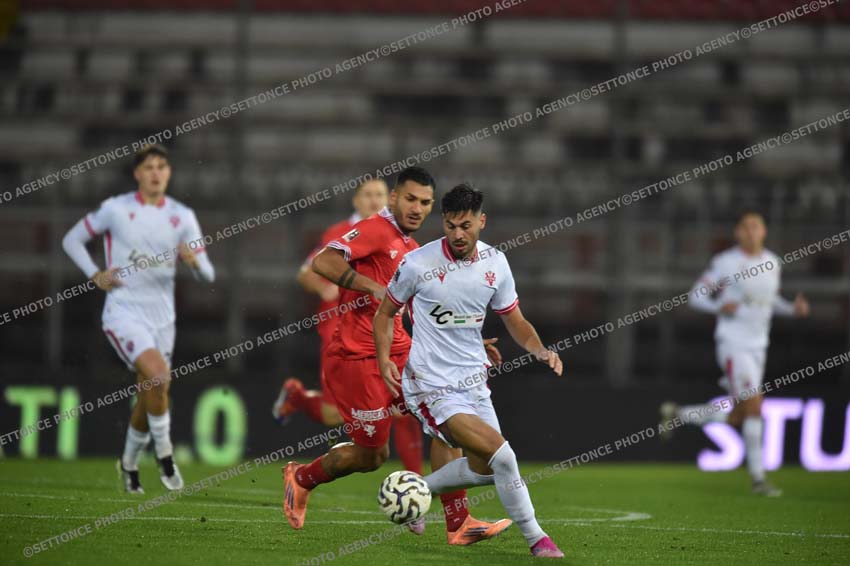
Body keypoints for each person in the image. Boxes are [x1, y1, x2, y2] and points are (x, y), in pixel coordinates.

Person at [282, 168, 511, 545]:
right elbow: (323, 262)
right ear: (394, 199)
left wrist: (465, 338)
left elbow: (417, 307)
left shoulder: (411, 247)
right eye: (410, 199)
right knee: (371, 456)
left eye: (425, 202)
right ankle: (302, 477)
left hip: (401, 351)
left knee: (448, 419)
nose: (417, 208)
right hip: (358, 357)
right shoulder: (376, 229)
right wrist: (370, 286)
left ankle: (458, 522)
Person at [374, 184, 565, 558]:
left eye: (465, 226)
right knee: (504, 457)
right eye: (450, 226)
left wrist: (539, 349)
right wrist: (384, 360)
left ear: (482, 221)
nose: (458, 234)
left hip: (474, 381)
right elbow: (385, 313)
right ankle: (538, 540)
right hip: (431, 384)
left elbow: (515, 320)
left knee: (486, 468)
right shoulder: (418, 264)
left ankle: (417, 490)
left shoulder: (495, 262)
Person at [62, 144, 215, 493]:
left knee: (151, 392)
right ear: (137, 174)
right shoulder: (116, 209)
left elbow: (208, 274)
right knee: (159, 377)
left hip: (163, 317)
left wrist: (194, 262)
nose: (156, 173)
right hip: (124, 311)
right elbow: (71, 240)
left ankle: (129, 465)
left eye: (162, 166)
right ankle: (165, 456)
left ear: (169, 173)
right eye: (149, 167)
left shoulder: (182, 215)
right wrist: (94, 274)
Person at [272, 179, 424, 474]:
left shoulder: (399, 238)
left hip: (386, 335)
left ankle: (417, 480)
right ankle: (298, 398)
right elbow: (308, 271)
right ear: (355, 201)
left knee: (408, 409)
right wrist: (324, 288)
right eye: (367, 195)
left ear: (390, 199)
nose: (373, 200)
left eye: (379, 195)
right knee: (333, 417)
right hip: (342, 330)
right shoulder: (341, 233)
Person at [661, 210, 810, 497]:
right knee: (755, 407)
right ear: (738, 233)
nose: (752, 231)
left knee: (739, 416)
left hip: (759, 346)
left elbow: (769, 301)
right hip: (733, 344)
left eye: (757, 226)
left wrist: (793, 309)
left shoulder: (772, 262)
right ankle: (758, 479)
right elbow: (695, 296)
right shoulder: (725, 262)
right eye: (746, 227)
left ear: (764, 232)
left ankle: (680, 414)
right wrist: (718, 307)